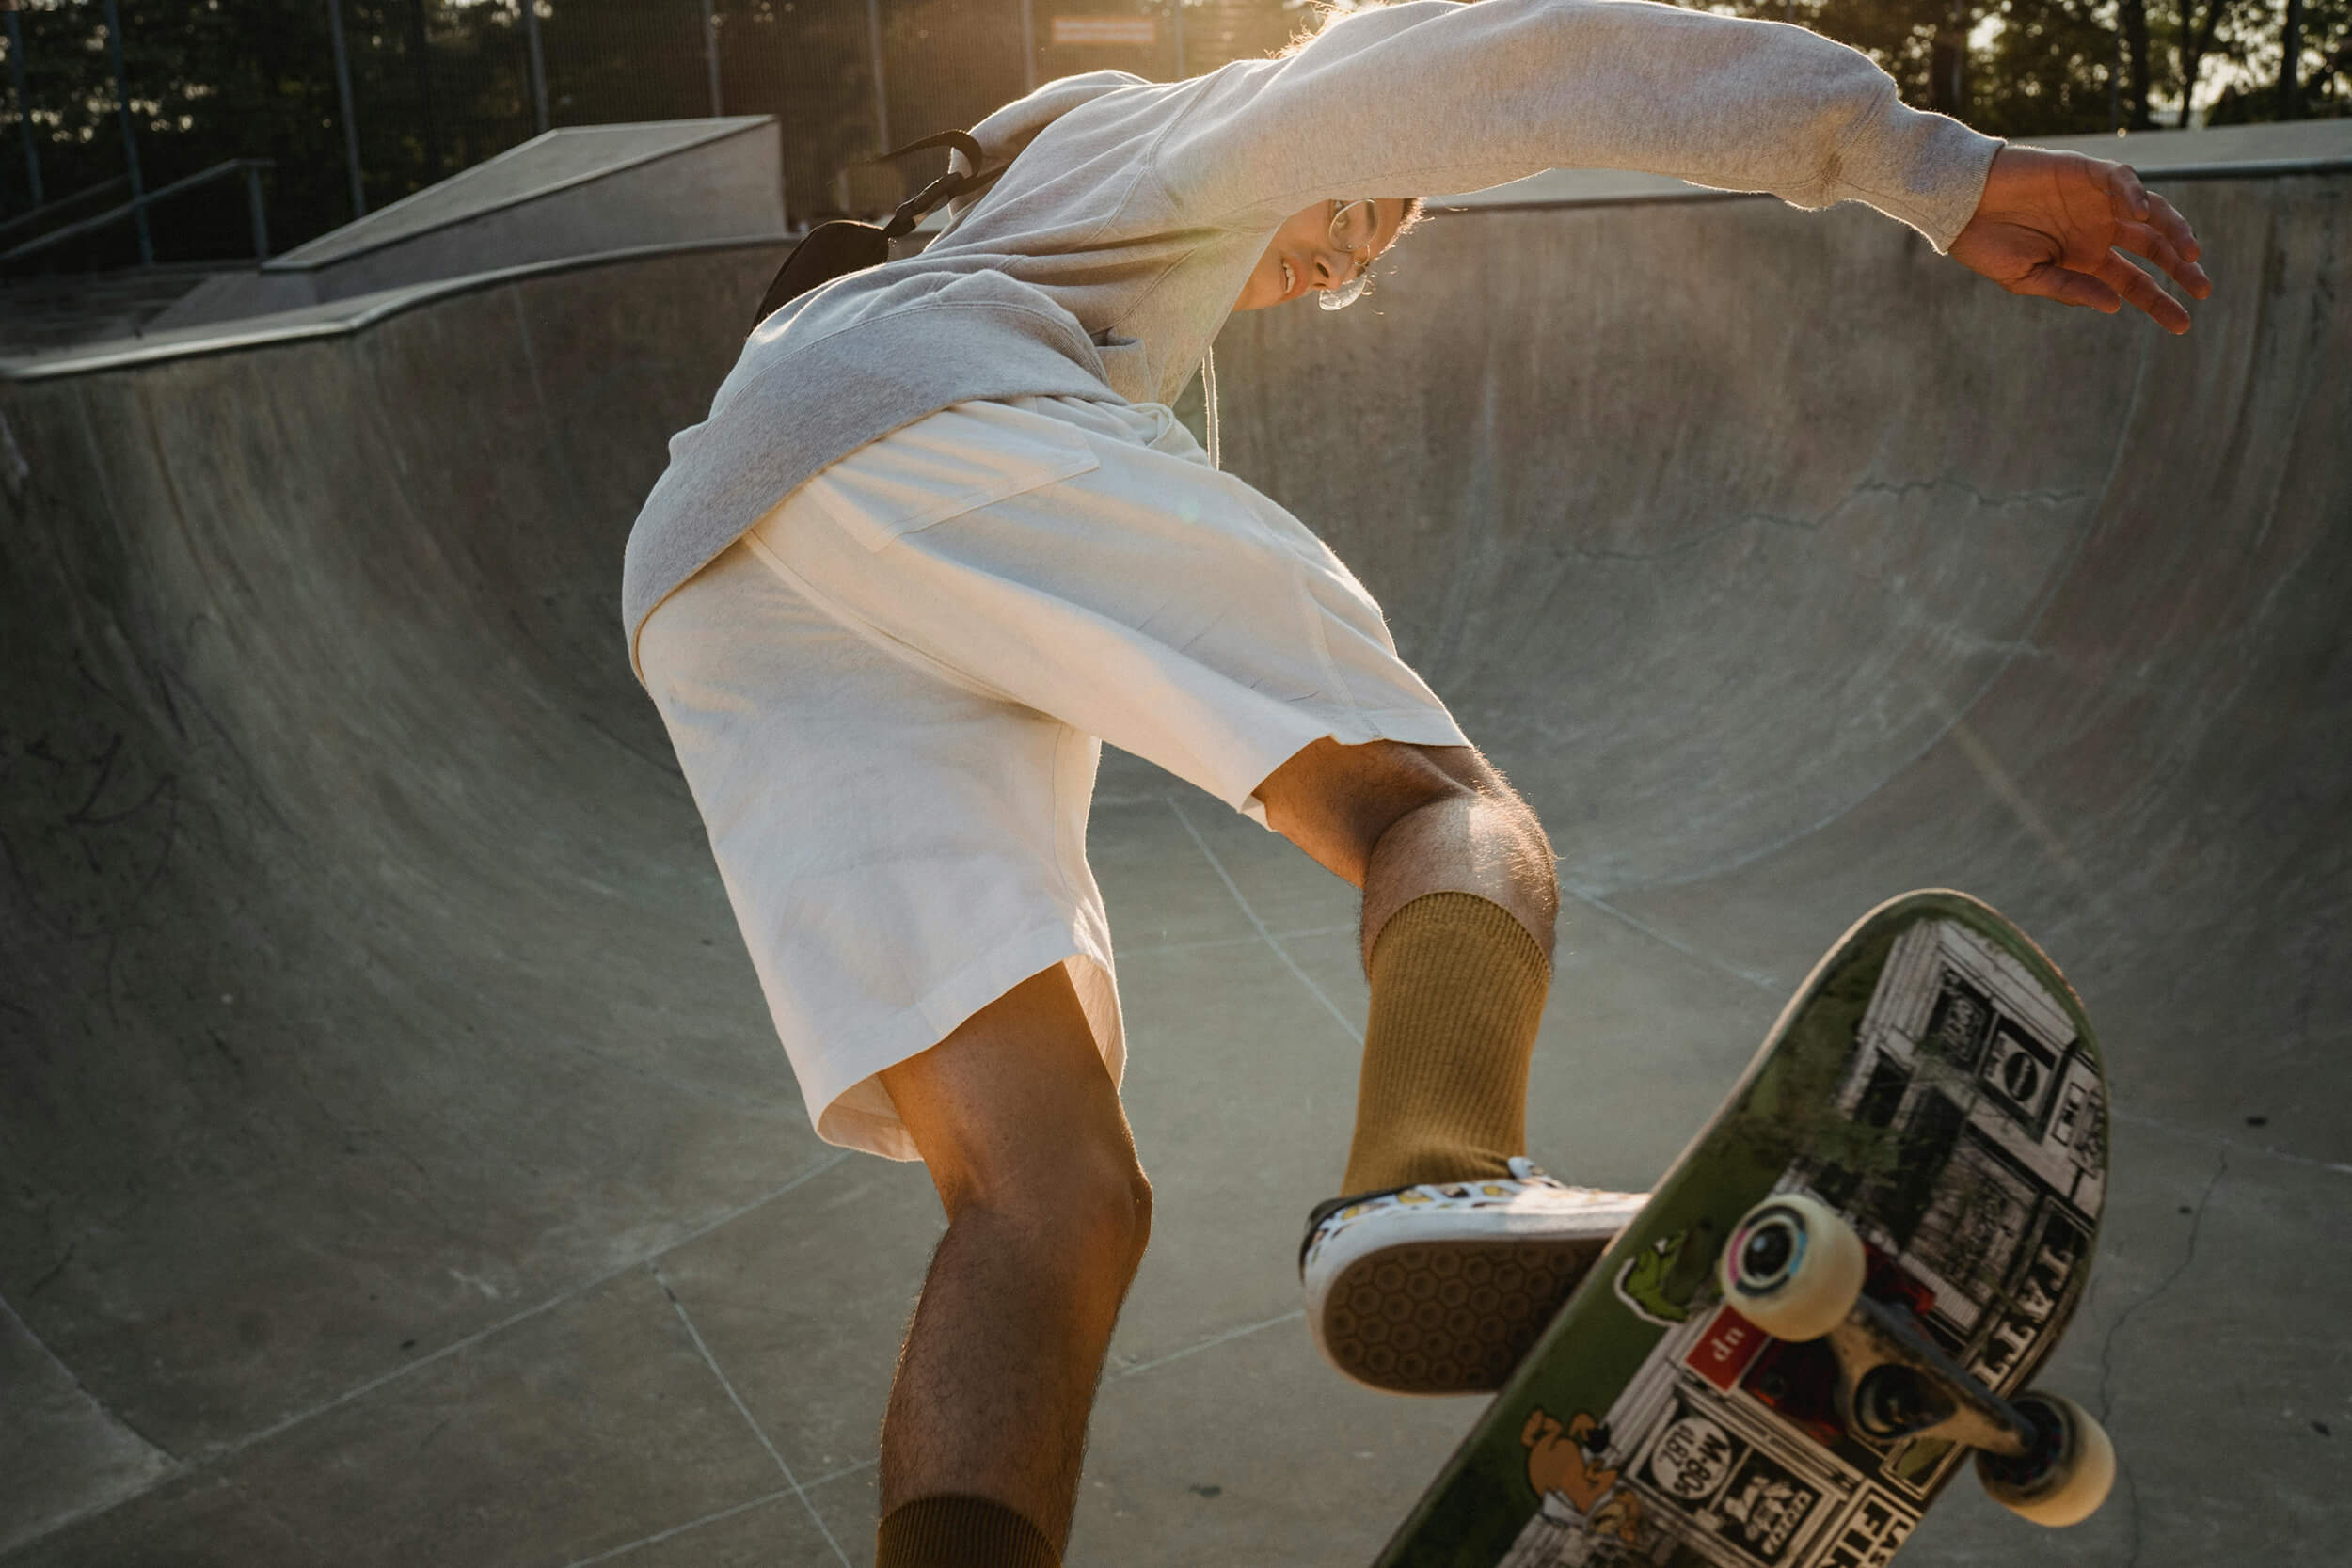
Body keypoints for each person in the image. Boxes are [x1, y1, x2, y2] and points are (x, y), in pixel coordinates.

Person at [620, 3, 2209, 1563]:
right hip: (933, 417)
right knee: (1439, 812)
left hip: (714, 571)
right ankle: (1432, 1176)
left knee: (1047, 1202)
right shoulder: (1201, 129)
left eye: (1356, 272)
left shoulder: (995, 224)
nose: (1340, 264)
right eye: (1363, 214)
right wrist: (1928, 168)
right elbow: (1517, 62)